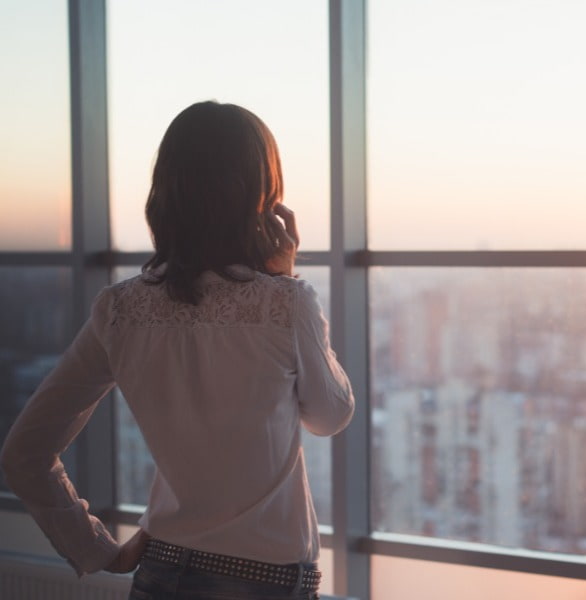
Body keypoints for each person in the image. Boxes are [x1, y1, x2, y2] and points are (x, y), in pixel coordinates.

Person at [0, 100, 354, 599]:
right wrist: (287, 278)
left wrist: (96, 548)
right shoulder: (283, 301)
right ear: (262, 195)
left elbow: (24, 453)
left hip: (160, 571)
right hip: (264, 581)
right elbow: (330, 415)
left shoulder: (119, 309)